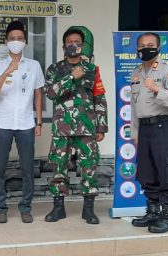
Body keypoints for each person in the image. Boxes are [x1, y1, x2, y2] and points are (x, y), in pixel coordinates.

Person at [44, 27, 108, 224]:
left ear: (82, 46)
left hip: (87, 127)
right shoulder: (54, 69)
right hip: (62, 128)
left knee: (89, 167)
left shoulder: (92, 69)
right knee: (59, 167)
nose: (74, 45)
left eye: (78, 42)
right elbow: (51, 93)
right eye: (70, 42)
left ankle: (88, 210)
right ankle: (58, 208)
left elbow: (100, 97)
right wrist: (72, 76)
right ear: (64, 46)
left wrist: (101, 126)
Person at [0, 20, 44, 224]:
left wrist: (39, 122)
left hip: (27, 124)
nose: (16, 42)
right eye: (12, 39)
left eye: (20, 39)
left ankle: (26, 207)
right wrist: (7, 71)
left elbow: (38, 94)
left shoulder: (34, 65)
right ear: (6, 41)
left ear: (25, 41)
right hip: (3, 123)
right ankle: (1, 207)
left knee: (28, 168)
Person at [130, 32, 168, 233]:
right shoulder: (136, 73)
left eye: (150, 44)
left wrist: (157, 90)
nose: (146, 48)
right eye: (142, 45)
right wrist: (135, 134)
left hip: (165, 126)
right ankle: (152, 212)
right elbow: (135, 107)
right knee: (147, 172)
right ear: (137, 49)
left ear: (159, 47)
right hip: (145, 128)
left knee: (167, 170)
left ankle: (167, 216)